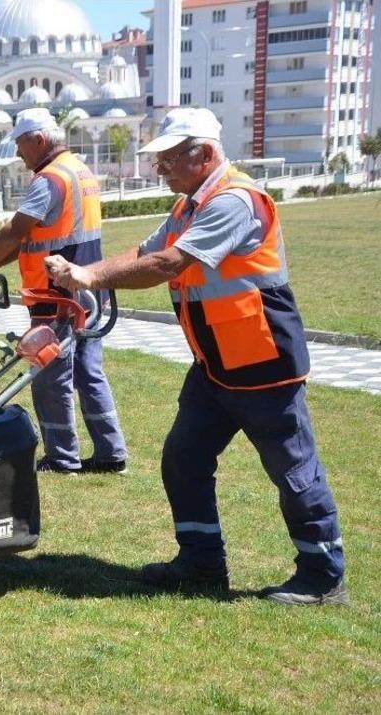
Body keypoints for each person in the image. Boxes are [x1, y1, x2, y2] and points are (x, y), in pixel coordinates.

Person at [45, 108, 347, 606]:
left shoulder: (234, 201)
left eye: (168, 159)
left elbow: (169, 264)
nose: (159, 169)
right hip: (214, 366)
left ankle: (322, 573)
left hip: (262, 364)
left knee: (294, 469)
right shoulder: (190, 206)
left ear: (203, 153)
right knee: (183, 457)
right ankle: (202, 562)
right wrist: (89, 271)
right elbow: (146, 250)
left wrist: (90, 278)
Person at [0, 107, 128, 475]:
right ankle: (112, 453)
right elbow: (34, 238)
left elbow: (15, 230)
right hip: (89, 288)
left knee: (51, 378)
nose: (18, 153)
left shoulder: (50, 179)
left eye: (20, 144)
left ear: (39, 139)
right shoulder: (80, 171)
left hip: (56, 295)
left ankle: (62, 458)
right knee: (89, 372)